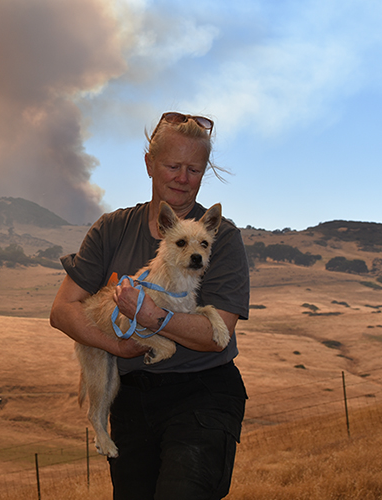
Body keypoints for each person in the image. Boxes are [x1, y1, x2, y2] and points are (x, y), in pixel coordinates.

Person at [50, 112, 250, 499]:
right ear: (149, 164)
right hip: (131, 399)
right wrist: (116, 346)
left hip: (202, 394)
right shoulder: (112, 229)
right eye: (172, 165)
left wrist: (151, 316)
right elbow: (63, 310)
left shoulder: (219, 237)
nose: (182, 177)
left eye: (194, 168)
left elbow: (215, 336)